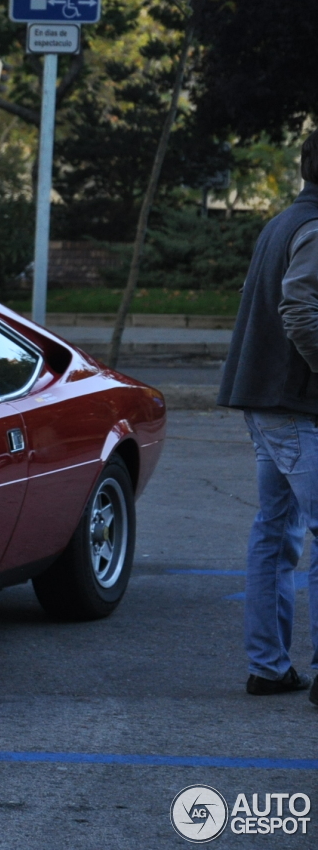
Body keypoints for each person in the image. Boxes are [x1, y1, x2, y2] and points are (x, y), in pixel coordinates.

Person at [218, 130, 318, 706]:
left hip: (264, 401)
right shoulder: (314, 228)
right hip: (293, 406)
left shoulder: (283, 221)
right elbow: (299, 309)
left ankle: (269, 667)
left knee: (274, 533)